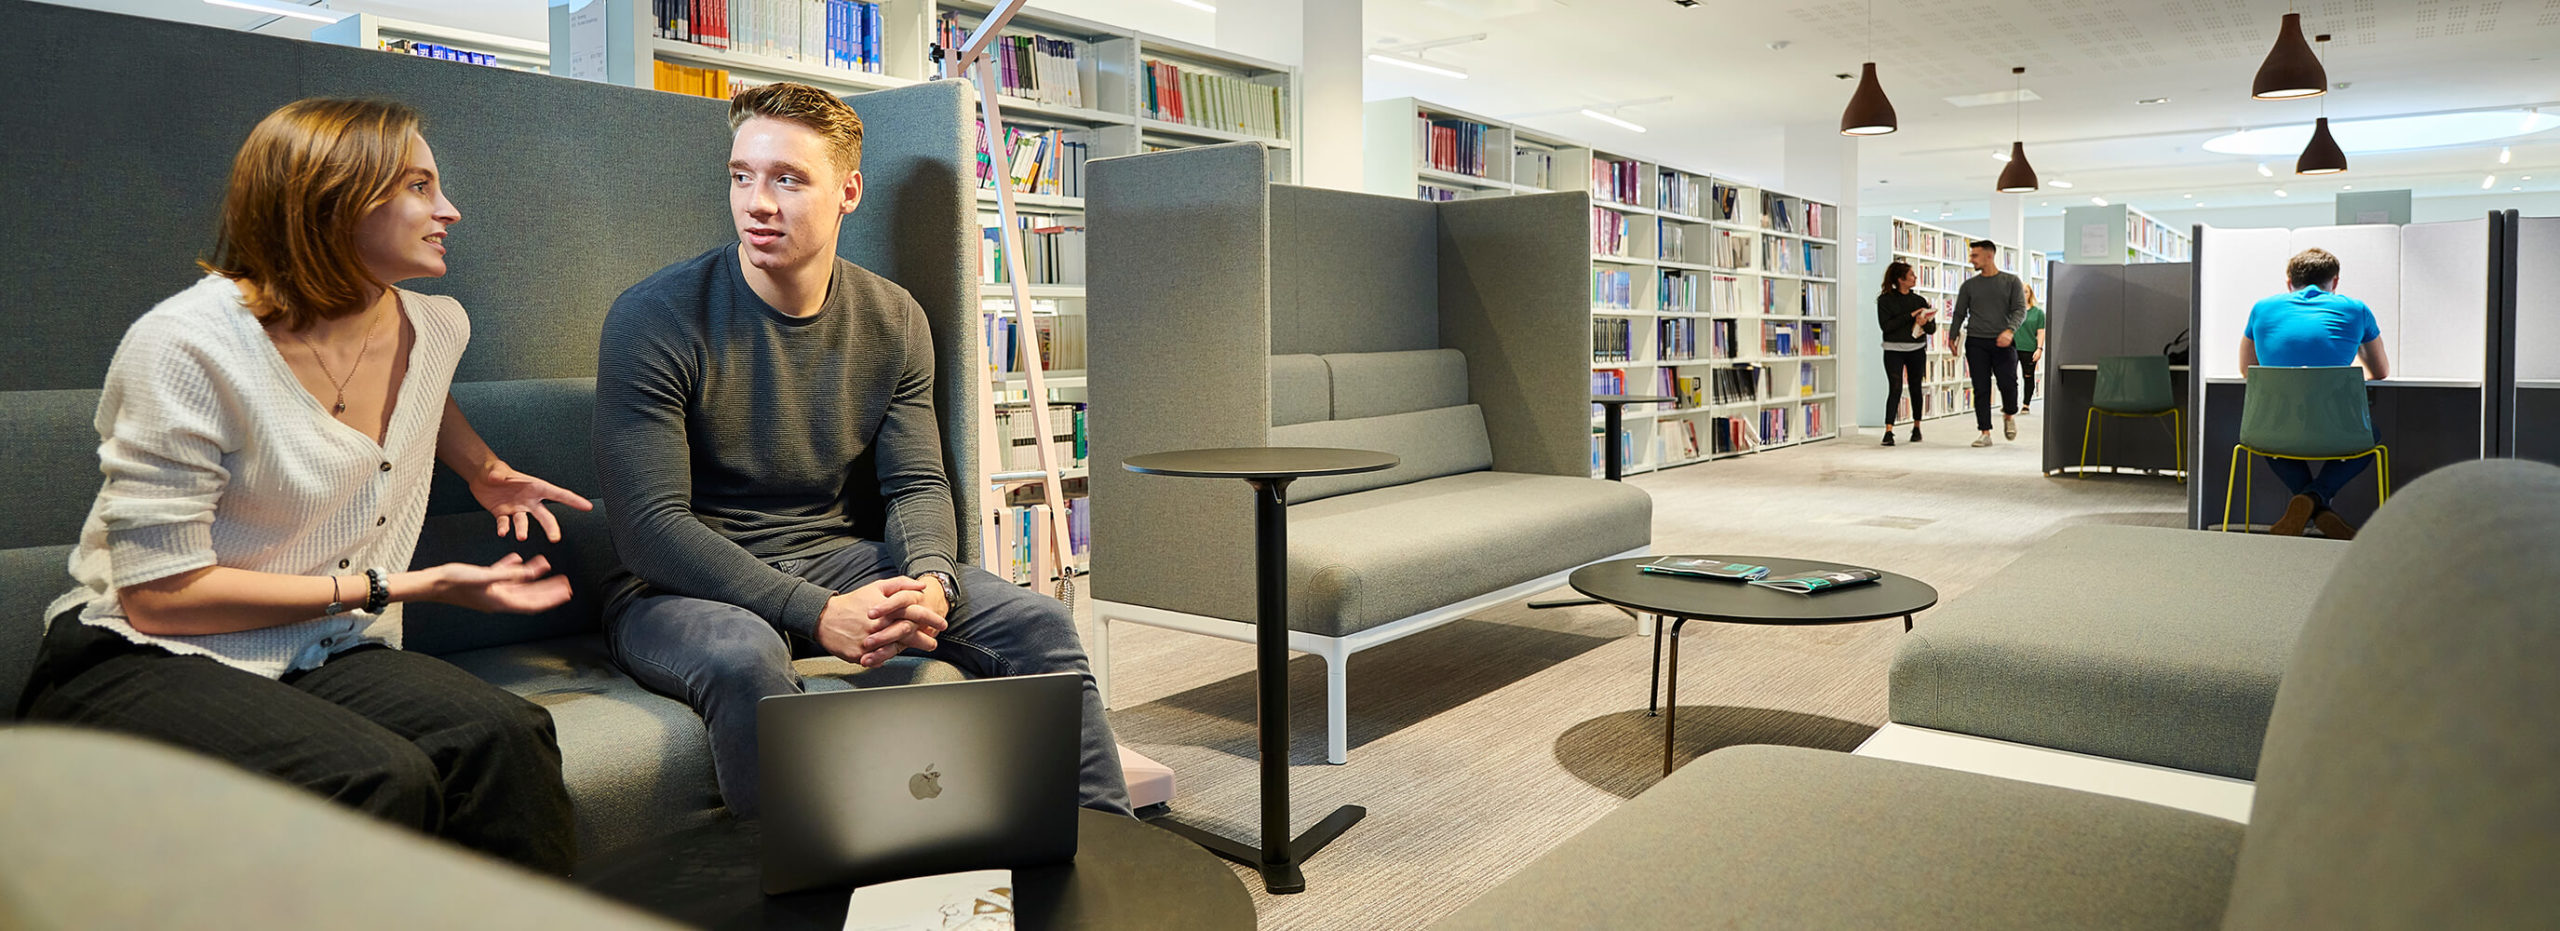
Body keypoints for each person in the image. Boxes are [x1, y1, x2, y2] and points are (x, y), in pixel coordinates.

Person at [19, 99, 587, 873]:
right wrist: (397, 585)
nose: (448, 209)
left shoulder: (436, 324)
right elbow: (159, 596)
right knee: (374, 776)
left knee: (506, 738)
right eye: (419, 187)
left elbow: (425, 390)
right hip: (144, 654)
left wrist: (484, 471)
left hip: (319, 647)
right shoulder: (186, 345)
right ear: (333, 200)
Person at [594, 82, 1131, 818]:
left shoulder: (894, 317)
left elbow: (915, 484)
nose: (757, 202)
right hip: (681, 586)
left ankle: (1110, 856)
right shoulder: (654, 315)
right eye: (741, 175)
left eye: (788, 178)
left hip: (832, 552)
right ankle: (813, 902)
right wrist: (816, 611)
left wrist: (932, 579)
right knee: (742, 659)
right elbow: (650, 529)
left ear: (848, 192)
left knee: (1038, 623)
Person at [2240, 247, 2389, 540]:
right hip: (2336, 428)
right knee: (2370, 434)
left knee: (2269, 435)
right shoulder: (2356, 309)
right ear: (2334, 282)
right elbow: (2380, 371)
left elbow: (2248, 370)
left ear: (2288, 282)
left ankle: (2308, 502)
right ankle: (2317, 500)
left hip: (2274, 427)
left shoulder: (2262, 308)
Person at [1947, 239, 2026, 447]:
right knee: (1980, 388)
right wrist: (1952, 336)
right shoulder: (1969, 286)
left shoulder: (2011, 282)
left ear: (1989, 256)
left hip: (2003, 342)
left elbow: (2020, 310)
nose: (1971, 259)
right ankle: (1985, 432)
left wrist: (2010, 331)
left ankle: (2009, 414)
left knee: (2008, 384)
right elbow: (1959, 313)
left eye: (1975, 255)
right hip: (1976, 342)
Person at [1876, 260, 1936, 446]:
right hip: (1893, 349)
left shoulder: (1919, 300)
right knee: (1894, 388)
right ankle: (1888, 431)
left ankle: (1917, 427)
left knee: (1915, 387)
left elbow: (1932, 329)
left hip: (1916, 349)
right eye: (1911, 275)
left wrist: (1925, 322)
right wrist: (1911, 316)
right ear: (1901, 279)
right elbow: (1886, 327)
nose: (1915, 278)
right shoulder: (1885, 300)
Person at [2015, 282, 2047, 414]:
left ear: (2030, 294)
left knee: (2028, 377)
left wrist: (2039, 349)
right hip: (2011, 348)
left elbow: (2041, 332)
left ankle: (2026, 404)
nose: (2023, 294)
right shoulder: (2012, 311)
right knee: (2009, 377)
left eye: (2026, 291)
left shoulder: (2038, 313)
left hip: (2029, 348)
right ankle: (2010, 403)